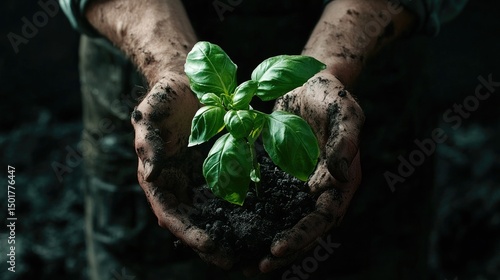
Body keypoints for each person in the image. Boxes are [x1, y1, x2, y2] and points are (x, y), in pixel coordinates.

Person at [60, 0, 467, 279]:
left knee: (371, 254)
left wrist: (333, 63)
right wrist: (170, 66)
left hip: (370, 65)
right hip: (141, 58)